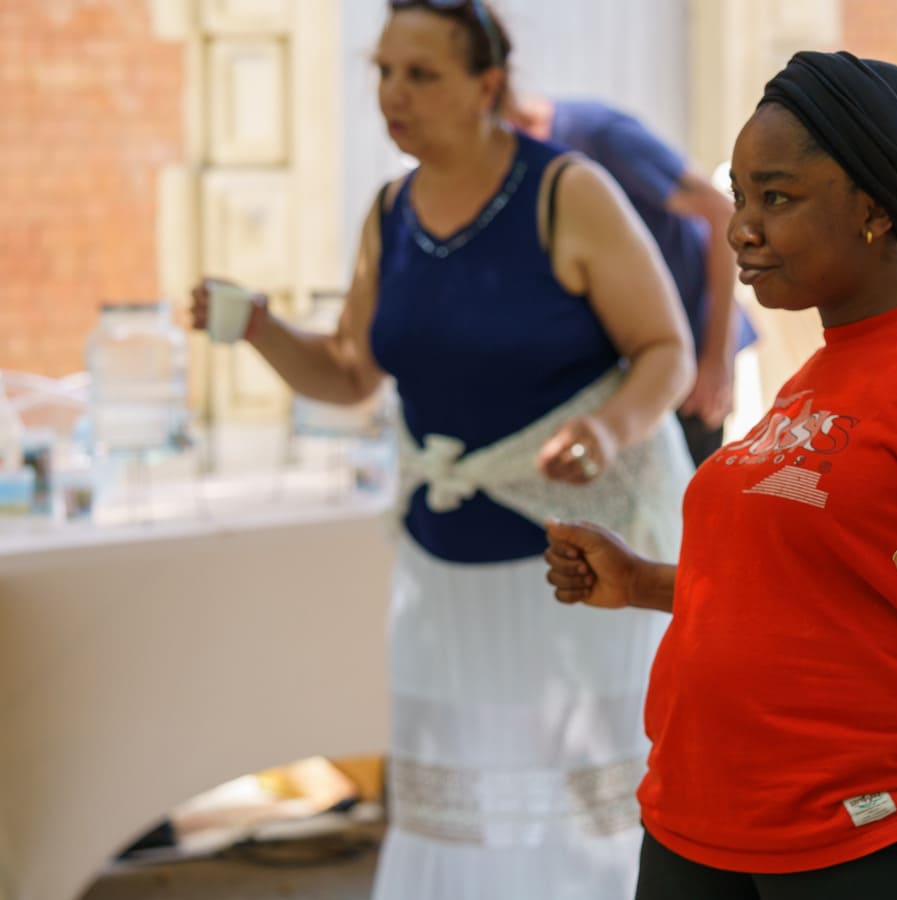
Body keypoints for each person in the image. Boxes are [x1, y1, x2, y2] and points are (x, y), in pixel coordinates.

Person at [545, 51, 897, 900]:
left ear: (872, 209)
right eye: (739, 197)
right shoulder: (811, 378)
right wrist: (643, 582)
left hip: (879, 833)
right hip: (700, 824)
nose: (740, 228)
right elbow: (806, 587)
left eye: (777, 197)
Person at [190, 2, 695, 897]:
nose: (394, 94)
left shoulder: (567, 192)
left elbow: (667, 349)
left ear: (486, 85)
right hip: (441, 570)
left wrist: (606, 430)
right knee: (455, 799)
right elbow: (350, 373)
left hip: (572, 566)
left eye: (420, 75)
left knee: (578, 803)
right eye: (383, 72)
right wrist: (261, 327)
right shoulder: (390, 211)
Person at [510, 95, 755, 465]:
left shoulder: (598, 135)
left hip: (689, 360)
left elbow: (720, 213)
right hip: (628, 372)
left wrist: (716, 359)